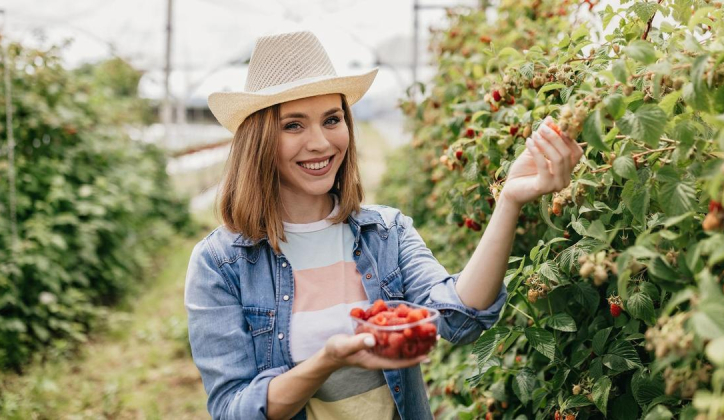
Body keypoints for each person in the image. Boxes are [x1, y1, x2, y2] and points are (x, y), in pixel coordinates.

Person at [185, 30, 583, 420]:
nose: (321, 143)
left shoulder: (384, 232)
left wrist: (509, 199)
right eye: (293, 125)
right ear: (258, 140)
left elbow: (460, 318)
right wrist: (326, 361)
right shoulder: (221, 264)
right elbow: (233, 409)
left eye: (331, 119)